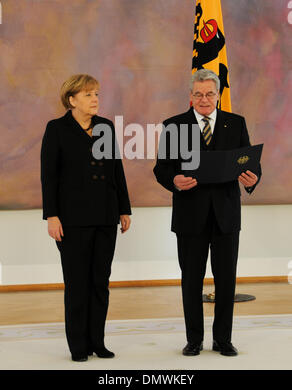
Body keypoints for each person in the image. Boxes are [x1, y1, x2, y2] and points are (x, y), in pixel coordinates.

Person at [153, 69, 261, 357]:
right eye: (198, 94)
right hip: (190, 217)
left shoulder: (235, 124)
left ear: (218, 95)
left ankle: (223, 340)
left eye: (209, 94)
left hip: (226, 216)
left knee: (227, 280)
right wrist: (173, 180)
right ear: (190, 96)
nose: (204, 99)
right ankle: (194, 340)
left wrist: (253, 178)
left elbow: (249, 162)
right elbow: (162, 168)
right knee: (191, 280)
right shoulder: (174, 126)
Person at [40, 74, 131, 362]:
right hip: (72, 219)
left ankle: (97, 342)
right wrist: (52, 216)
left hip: (106, 215)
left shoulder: (105, 127)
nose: (95, 99)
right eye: (89, 94)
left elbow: (116, 169)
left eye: (97, 94)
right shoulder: (56, 129)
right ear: (72, 99)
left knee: (100, 282)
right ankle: (78, 345)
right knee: (77, 283)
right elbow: (49, 176)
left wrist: (124, 208)